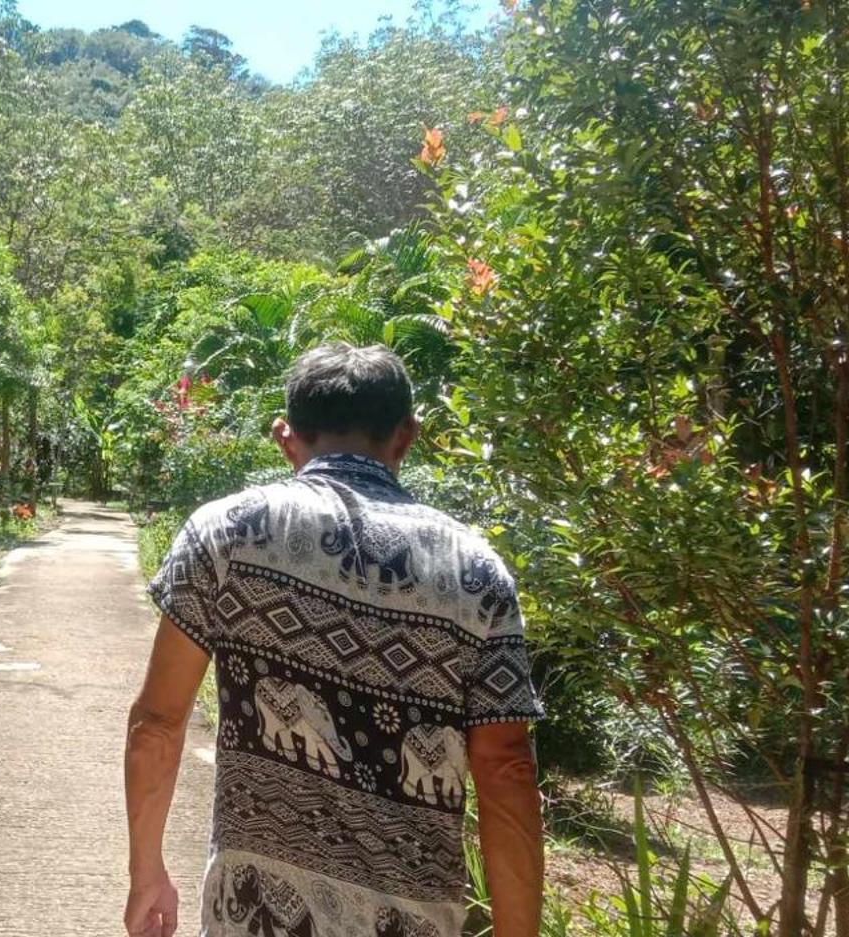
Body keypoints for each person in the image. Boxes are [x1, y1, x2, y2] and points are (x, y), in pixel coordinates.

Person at [124, 344, 544, 937]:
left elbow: (157, 722)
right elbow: (506, 768)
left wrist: (148, 873)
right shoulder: (476, 574)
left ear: (285, 438)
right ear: (406, 436)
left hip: (254, 913)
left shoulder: (224, 536)